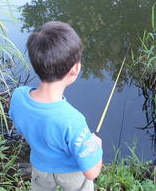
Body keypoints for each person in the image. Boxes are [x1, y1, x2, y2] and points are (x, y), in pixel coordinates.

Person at [9, 21, 103, 191]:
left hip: (40, 169)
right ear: (75, 69)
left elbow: (22, 126)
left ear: (34, 63)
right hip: (71, 176)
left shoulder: (18, 96)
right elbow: (92, 172)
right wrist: (96, 146)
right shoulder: (73, 120)